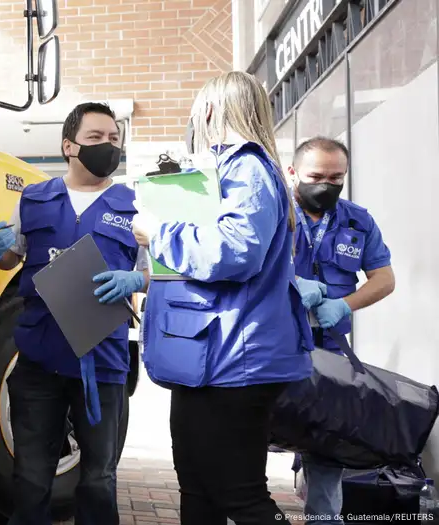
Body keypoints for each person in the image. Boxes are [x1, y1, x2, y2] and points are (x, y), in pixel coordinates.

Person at [129, 71, 314, 525]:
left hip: (236, 363)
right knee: (199, 492)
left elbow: (234, 253)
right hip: (213, 360)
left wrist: (159, 233)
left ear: (210, 110)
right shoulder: (232, 170)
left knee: (240, 497)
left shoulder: (248, 167)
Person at [0, 102, 147, 525]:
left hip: (103, 361)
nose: (107, 145)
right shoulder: (34, 199)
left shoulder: (135, 205)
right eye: (95, 138)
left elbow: (159, 271)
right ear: (69, 146)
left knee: (97, 479)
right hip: (38, 358)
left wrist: (137, 281)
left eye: (114, 138)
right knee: (32, 477)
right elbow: (10, 258)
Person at [289, 137, 395, 525]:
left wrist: (343, 304)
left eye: (336, 178)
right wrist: (288, 286)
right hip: (277, 342)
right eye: (315, 176)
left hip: (331, 348)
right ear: (293, 173)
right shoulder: (273, 213)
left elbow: (384, 278)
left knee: (327, 440)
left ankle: (323, 518)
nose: (325, 185)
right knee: (258, 431)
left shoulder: (357, 220)